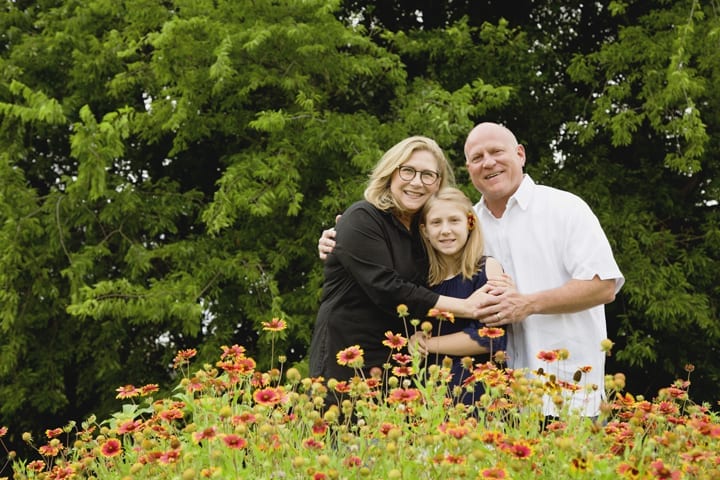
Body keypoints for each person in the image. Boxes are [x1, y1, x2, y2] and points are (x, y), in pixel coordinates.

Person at [318, 123, 624, 418]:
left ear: (520, 154)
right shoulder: (463, 223)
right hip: (495, 394)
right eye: (477, 157)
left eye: (497, 151)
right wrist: (340, 237)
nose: (488, 162)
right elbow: (391, 274)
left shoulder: (563, 208)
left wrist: (527, 304)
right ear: (468, 169)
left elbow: (604, 287)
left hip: (566, 385)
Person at [308, 136, 493, 386]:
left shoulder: (424, 233)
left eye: (428, 175)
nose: (417, 182)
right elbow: (387, 288)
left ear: (438, 184)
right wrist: (467, 306)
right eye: (407, 171)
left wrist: (494, 274)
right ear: (390, 173)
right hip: (348, 360)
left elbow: (454, 264)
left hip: (404, 366)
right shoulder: (363, 218)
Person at [409, 187, 507, 406]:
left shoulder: (487, 268)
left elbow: (491, 338)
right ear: (425, 231)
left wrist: (429, 344)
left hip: (477, 394)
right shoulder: (422, 281)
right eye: (436, 223)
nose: (445, 230)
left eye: (454, 220)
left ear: (469, 223)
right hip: (430, 394)